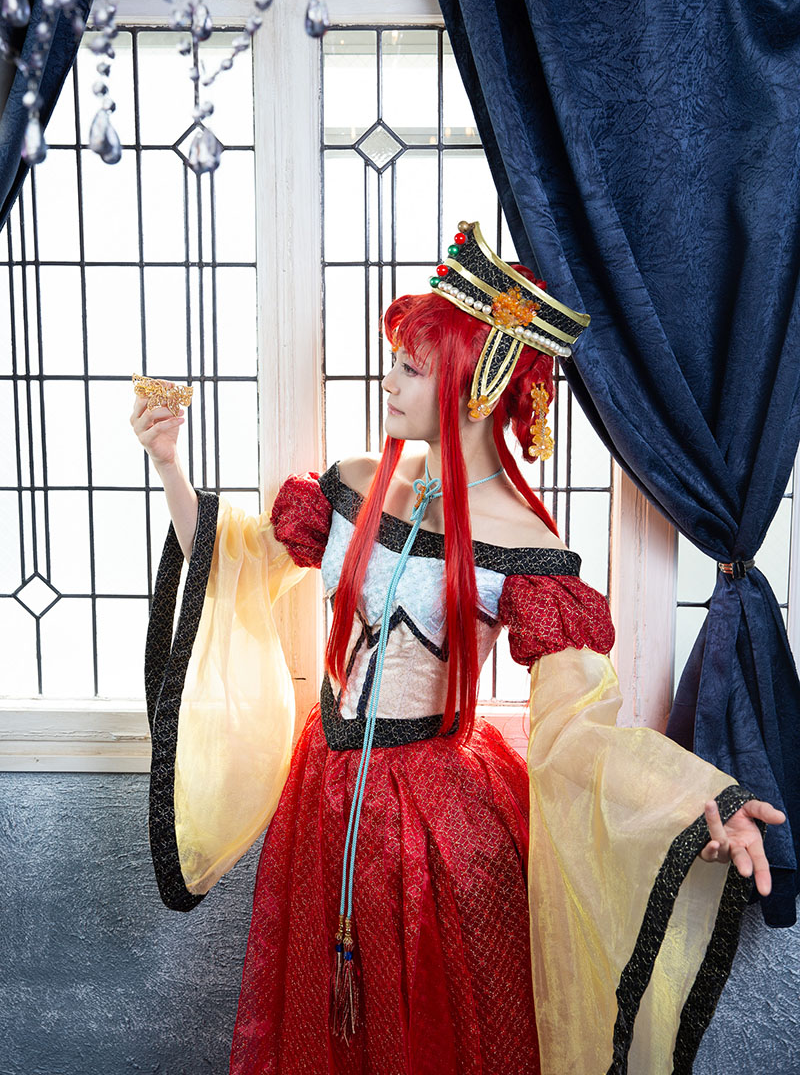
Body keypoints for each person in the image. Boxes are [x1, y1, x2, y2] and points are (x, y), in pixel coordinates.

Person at [131, 221, 783, 1075]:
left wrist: (695, 801)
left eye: (410, 366)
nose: (388, 380)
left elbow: (579, 728)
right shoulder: (356, 484)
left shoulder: (522, 542)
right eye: (394, 361)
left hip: (440, 825)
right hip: (322, 798)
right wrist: (169, 464)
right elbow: (236, 562)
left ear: (476, 386)